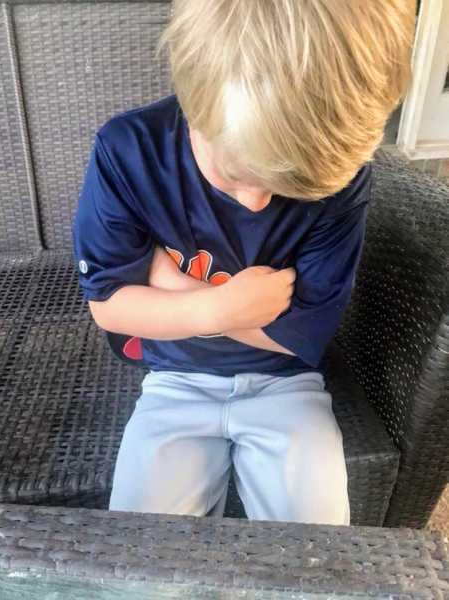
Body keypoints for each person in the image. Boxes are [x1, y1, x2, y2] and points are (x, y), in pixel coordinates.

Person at [72, 0, 416, 524]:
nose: (256, 203)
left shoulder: (345, 180)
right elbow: (110, 308)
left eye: (286, 189)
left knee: (316, 558)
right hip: (173, 381)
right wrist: (224, 307)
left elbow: (300, 335)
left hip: (288, 386)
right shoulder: (128, 151)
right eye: (234, 174)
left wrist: (171, 285)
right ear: (194, 108)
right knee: (141, 553)